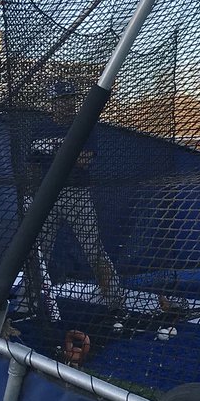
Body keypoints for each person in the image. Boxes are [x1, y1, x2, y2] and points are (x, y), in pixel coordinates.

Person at [25, 80, 125, 317]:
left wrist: (55, 150)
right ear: (53, 103)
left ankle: (115, 303)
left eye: (71, 99)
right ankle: (29, 303)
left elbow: (84, 160)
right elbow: (32, 165)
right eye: (62, 100)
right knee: (37, 252)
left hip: (76, 195)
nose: (68, 104)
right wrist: (29, 194)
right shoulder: (41, 129)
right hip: (46, 196)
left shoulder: (83, 125)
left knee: (93, 250)